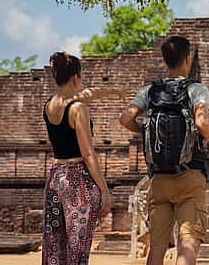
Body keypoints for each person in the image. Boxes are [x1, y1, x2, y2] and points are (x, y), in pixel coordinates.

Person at [120, 36, 209, 265]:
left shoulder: (150, 90)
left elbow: (125, 118)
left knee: (157, 248)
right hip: (189, 176)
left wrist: (142, 131)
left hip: (159, 179)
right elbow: (202, 122)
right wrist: (207, 134)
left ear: (165, 60)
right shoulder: (196, 89)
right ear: (187, 59)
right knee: (188, 245)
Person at [42, 51, 124, 265]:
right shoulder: (78, 109)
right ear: (76, 77)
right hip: (77, 179)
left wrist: (113, 91)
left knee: (54, 245)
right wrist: (105, 191)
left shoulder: (50, 104)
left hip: (55, 177)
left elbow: (86, 94)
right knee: (77, 247)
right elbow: (88, 154)